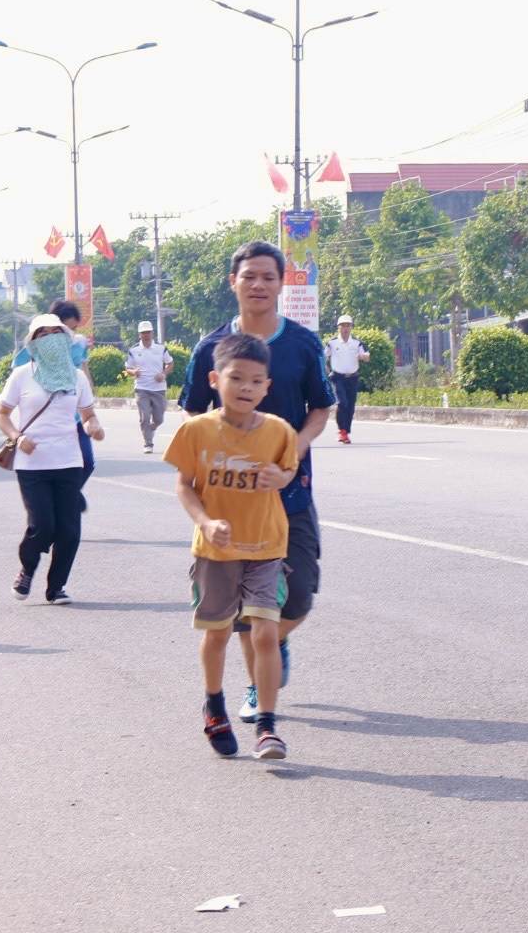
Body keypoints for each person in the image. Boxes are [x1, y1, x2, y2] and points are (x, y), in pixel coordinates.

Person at [180, 240, 335, 723]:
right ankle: (256, 686)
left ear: (281, 283)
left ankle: (275, 640)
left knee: (301, 593)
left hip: (290, 493)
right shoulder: (210, 348)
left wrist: (292, 452)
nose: (259, 285)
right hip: (231, 502)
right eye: (249, 276)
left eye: (268, 276)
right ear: (234, 282)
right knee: (248, 613)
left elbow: (321, 407)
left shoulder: (303, 344)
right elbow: (192, 411)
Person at [167, 334, 299, 760]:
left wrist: (280, 478)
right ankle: (214, 704)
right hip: (216, 552)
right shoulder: (196, 430)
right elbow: (184, 486)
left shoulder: (278, 431)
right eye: (236, 377)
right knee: (218, 632)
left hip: (266, 546)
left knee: (265, 632)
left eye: (256, 380)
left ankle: (267, 726)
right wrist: (205, 523)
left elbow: (288, 472)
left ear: (267, 387)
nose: (246, 387)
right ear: (214, 380)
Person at [0, 314, 103, 604]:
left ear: (66, 339)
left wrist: (93, 425)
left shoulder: (76, 377)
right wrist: (18, 436)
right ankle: (27, 570)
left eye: (56, 333)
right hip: (32, 465)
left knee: (69, 531)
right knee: (43, 525)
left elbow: (87, 414)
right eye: (43, 335)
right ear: (33, 343)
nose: (50, 339)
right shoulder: (22, 375)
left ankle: (56, 587)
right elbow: (2, 415)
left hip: (69, 462)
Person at [13, 301, 95, 496]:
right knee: (53, 468)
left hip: (75, 414)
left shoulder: (80, 343)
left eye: (75, 328)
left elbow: (83, 365)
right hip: (49, 418)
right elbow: (19, 368)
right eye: (68, 327)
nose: (72, 333)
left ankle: (71, 496)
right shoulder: (36, 346)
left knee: (88, 462)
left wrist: (89, 386)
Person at [127, 320, 174, 454]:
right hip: (141, 388)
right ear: (139, 334)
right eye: (143, 333)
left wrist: (163, 374)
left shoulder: (161, 348)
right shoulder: (134, 350)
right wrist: (134, 372)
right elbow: (128, 368)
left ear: (153, 333)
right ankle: (148, 443)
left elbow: (170, 363)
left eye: (148, 332)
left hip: (158, 388)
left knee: (159, 418)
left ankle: (151, 429)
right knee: (145, 417)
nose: (146, 335)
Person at [325, 315, 370, 444]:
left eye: (348, 325)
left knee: (350, 405)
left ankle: (346, 432)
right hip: (338, 377)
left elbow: (367, 357)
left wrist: (362, 357)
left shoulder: (357, 343)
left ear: (351, 327)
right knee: (342, 402)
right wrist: (326, 369)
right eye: (343, 325)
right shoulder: (332, 343)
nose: (345, 328)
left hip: (352, 378)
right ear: (338, 327)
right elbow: (322, 356)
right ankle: (341, 431)